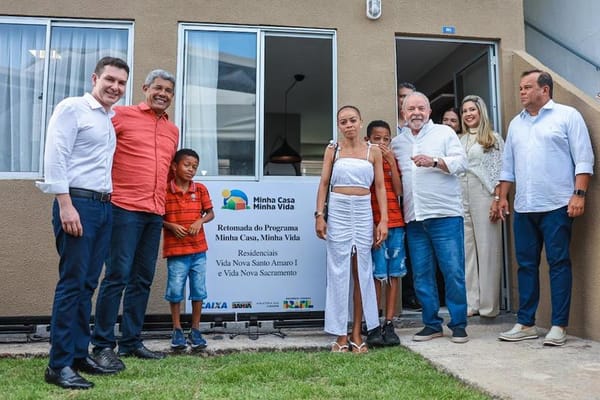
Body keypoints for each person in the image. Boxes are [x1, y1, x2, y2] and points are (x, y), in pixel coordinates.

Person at [36, 57, 130, 389]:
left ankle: (78, 355)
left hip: (104, 207)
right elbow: (55, 155)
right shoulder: (72, 108)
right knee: (72, 284)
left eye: (121, 83)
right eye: (110, 80)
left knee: (88, 284)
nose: (115, 87)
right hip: (77, 204)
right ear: (95, 78)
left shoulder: (108, 118)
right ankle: (58, 364)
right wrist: (65, 204)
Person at [497, 70, 594, 346]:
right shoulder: (516, 123)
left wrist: (579, 194)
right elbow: (508, 166)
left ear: (545, 90)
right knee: (526, 265)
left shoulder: (567, 116)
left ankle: (558, 326)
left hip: (557, 206)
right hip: (524, 207)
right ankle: (526, 323)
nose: (522, 92)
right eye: (520, 88)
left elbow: (584, 158)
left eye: (527, 87)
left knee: (558, 263)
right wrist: (502, 197)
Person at [92, 69, 179, 369]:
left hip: (154, 212)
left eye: (168, 90)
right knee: (117, 276)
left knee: (142, 279)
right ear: (145, 88)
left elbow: (168, 171)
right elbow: (97, 151)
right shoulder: (121, 115)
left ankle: (131, 341)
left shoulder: (173, 130)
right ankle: (102, 344)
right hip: (123, 208)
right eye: (158, 88)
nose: (163, 94)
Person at [391, 92, 469, 343]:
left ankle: (458, 324)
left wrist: (434, 161)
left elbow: (461, 163)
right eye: (410, 108)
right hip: (414, 218)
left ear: (428, 111)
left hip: (444, 214)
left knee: (453, 271)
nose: (416, 112)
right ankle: (431, 324)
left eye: (421, 108)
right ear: (404, 114)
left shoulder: (444, 134)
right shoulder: (397, 142)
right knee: (422, 275)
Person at [315, 105, 388, 353]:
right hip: (338, 209)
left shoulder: (373, 151)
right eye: (343, 121)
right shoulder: (332, 150)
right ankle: (340, 334)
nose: (348, 125)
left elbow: (379, 187)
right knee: (338, 272)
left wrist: (384, 220)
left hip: (363, 210)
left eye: (352, 120)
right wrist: (319, 215)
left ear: (360, 122)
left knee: (361, 271)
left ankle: (358, 331)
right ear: (339, 125)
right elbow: (324, 183)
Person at [162, 148, 215, 350]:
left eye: (194, 166)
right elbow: (157, 217)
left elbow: (210, 213)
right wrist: (171, 226)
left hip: (198, 251)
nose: (191, 169)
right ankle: (176, 329)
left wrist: (200, 221)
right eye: (186, 165)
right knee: (175, 291)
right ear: (174, 166)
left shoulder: (200, 189)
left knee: (199, 290)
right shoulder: (165, 191)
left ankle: (195, 329)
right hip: (176, 252)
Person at [459, 95, 504, 318]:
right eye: (465, 110)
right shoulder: (459, 139)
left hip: (483, 193)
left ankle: (488, 306)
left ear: (481, 112)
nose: (468, 114)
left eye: (472, 110)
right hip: (461, 193)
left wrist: (497, 199)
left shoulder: (492, 139)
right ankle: (471, 302)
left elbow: (499, 172)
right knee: (467, 250)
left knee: (487, 249)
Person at [365, 120, 405, 346]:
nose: (381, 143)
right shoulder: (366, 161)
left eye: (385, 139)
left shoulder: (392, 161)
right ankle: (373, 321)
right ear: (368, 140)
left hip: (395, 222)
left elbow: (399, 191)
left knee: (393, 274)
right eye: (376, 138)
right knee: (376, 274)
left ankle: (389, 322)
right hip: (372, 223)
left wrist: (390, 161)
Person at [397, 82, 421, 311]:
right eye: (402, 97)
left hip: (418, 202)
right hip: (398, 200)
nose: (407, 102)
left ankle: (415, 296)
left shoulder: (425, 131)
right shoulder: (394, 135)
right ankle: (405, 294)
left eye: (410, 98)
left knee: (417, 252)